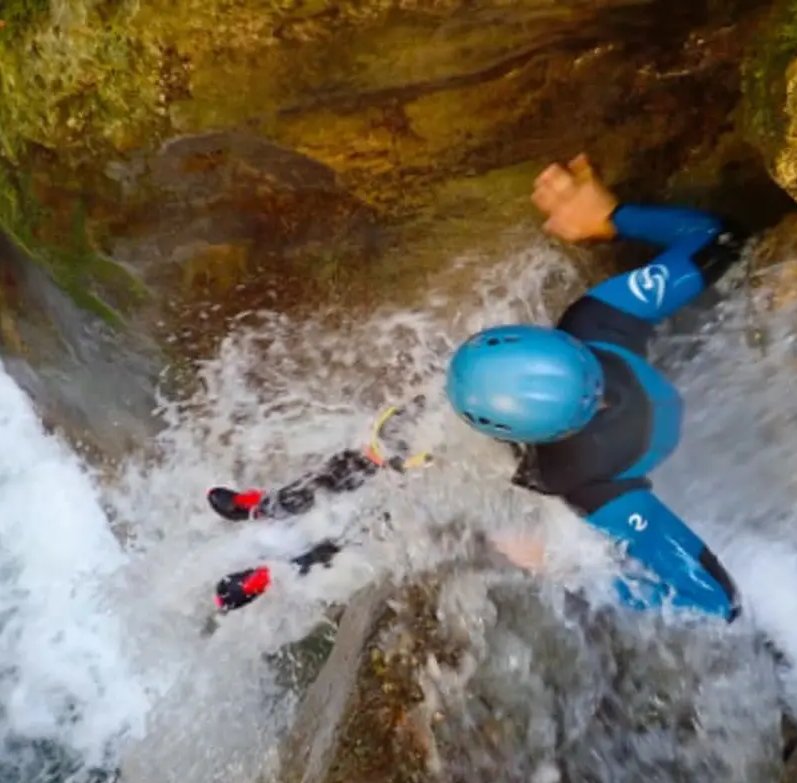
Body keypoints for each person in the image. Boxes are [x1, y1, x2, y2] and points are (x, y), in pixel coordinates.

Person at [207, 153, 744, 622]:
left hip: (595, 458)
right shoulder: (601, 321)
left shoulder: (588, 485)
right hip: (608, 405)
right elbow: (720, 238)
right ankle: (275, 504)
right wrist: (608, 217)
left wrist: (562, 568)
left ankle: (283, 574)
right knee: (397, 437)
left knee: (435, 520)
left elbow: (718, 602)